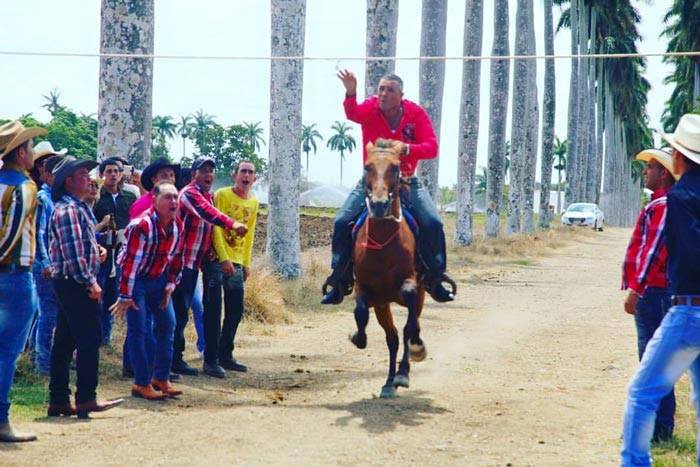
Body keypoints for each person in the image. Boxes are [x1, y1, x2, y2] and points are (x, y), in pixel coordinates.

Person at [321, 70, 455, 305]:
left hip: (407, 181)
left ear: (401, 95)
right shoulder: (370, 108)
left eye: (389, 90)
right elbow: (352, 113)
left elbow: (432, 147)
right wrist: (351, 91)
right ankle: (339, 280)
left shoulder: (416, 113)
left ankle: (435, 278)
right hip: (372, 183)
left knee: (434, 223)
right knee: (341, 221)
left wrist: (409, 148)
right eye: (381, 89)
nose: (383, 94)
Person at [621, 113, 700, 465]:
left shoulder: (680, 198)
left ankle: (635, 461)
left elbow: (685, 253)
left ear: (680, 158)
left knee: (642, 391)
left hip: (689, 307)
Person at [47, 156, 124, 419]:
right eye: (82, 174)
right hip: (75, 282)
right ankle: (85, 398)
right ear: (68, 181)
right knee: (89, 338)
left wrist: (98, 249)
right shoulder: (69, 210)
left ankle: (59, 400)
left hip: (69, 281)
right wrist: (91, 281)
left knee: (65, 341)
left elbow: (80, 245)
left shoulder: (77, 208)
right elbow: (72, 254)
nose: (88, 178)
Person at [621, 148, 678, 444]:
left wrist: (636, 289)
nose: (645, 171)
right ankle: (660, 428)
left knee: (652, 361)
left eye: (651, 167)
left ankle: (658, 429)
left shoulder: (662, 206)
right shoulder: (661, 204)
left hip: (654, 292)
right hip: (659, 292)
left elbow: (654, 251)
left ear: (663, 173)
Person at [171, 156, 244, 376]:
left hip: (197, 262)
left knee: (192, 310)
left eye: (211, 171)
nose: (208, 175)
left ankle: (199, 359)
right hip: (182, 262)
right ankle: (173, 360)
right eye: (203, 171)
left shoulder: (208, 196)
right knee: (179, 313)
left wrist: (214, 251)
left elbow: (208, 228)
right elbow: (206, 214)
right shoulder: (190, 194)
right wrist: (232, 223)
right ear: (194, 175)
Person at [111, 182, 185, 400]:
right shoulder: (141, 225)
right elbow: (130, 265)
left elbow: (176, 259)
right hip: (136, 279)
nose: (173, 202)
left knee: (168, 323)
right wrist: (125, 295)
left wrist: (170, 285)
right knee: (139, 329)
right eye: (167, 197)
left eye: (175, 197)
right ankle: (141, 382)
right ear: (154, 200)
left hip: (158, 278)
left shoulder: (177, 225)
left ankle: (160, 377)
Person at [0, 120, 45, 442]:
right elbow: (12, 235)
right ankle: (2, 420)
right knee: (7, 351)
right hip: (13, 276)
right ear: (21, 151)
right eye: (29, 148)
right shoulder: (24, 188)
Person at [203, 160, 259, 377]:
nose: (246, 176)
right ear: (234, 174)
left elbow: (250, 234)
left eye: (250, 172)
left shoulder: (253, 203)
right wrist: (223, 257)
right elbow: (215, 227)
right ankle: (211, 359)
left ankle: (226, 354)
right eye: (243, 171)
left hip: (237, 261)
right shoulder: (222, 195)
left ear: (255, 178)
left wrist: (246, 263)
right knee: (214, 309)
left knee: (235, 310)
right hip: (217, 259)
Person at [94, 157, 137, 346]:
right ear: (103, 174)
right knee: (100, 292)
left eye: (116, 171)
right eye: (108, 171)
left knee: (116, 293)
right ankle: (97, 334)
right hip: (102, 252)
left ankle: (106, 335)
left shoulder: (129, 197)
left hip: (123, 251)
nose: (112, 175)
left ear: (121, 175)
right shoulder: (96, 197)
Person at [33, 154, 65, 375]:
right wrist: (46, 262)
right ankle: (42, 363)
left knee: (53, 313)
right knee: (48, 313)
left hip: (56, 264)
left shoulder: (58, 198)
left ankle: (46, 358)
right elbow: (41, 234)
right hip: (47, 264)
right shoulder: (44, 198)